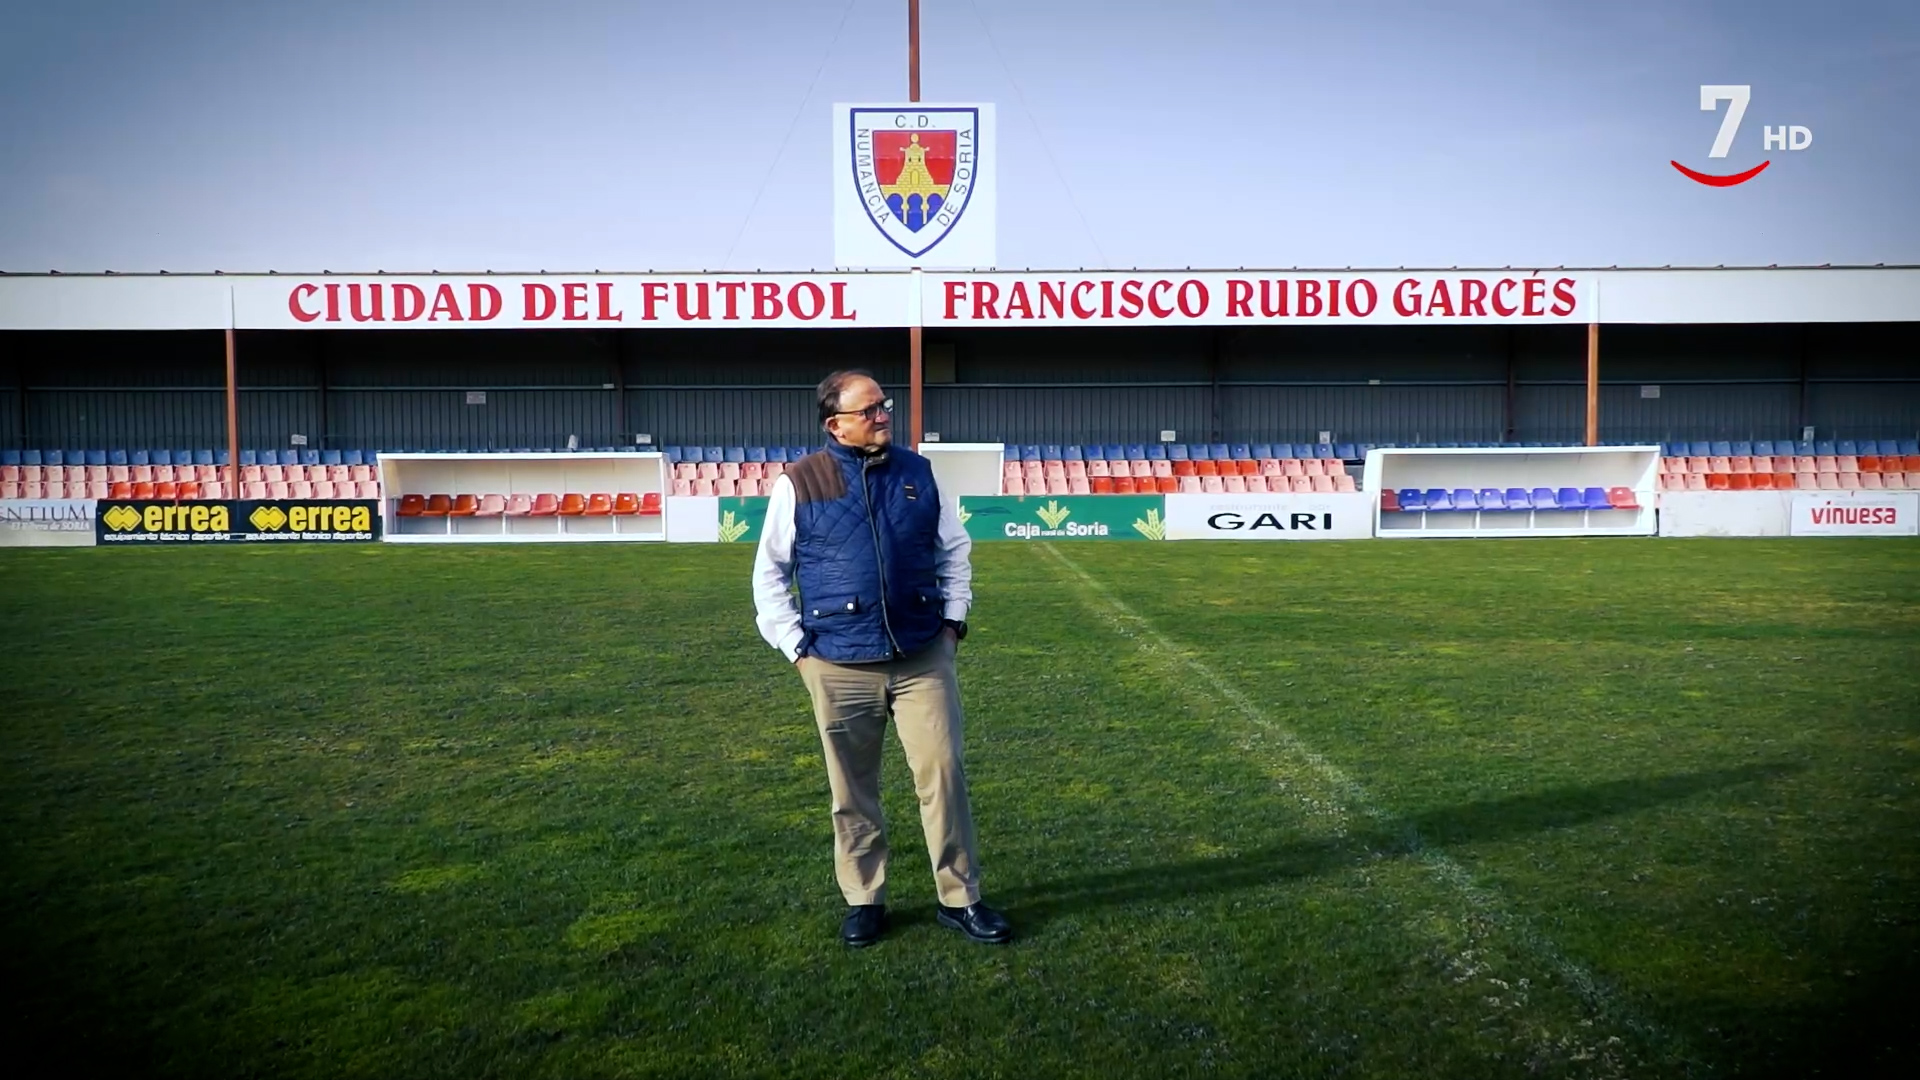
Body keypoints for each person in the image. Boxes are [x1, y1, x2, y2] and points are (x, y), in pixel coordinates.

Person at [751, 370, 1011, 948]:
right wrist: (797, 650)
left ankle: (960, 897)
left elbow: (954, 550)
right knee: (852, 790)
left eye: (883, 406)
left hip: (922, 655)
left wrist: (953, 622)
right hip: (837, 664)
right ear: (834, 423)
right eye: (869, 410)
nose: (883, 416)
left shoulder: (917, 472)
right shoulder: (800, 481)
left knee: (944, 774)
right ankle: (865, 898)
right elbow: (769, 573)